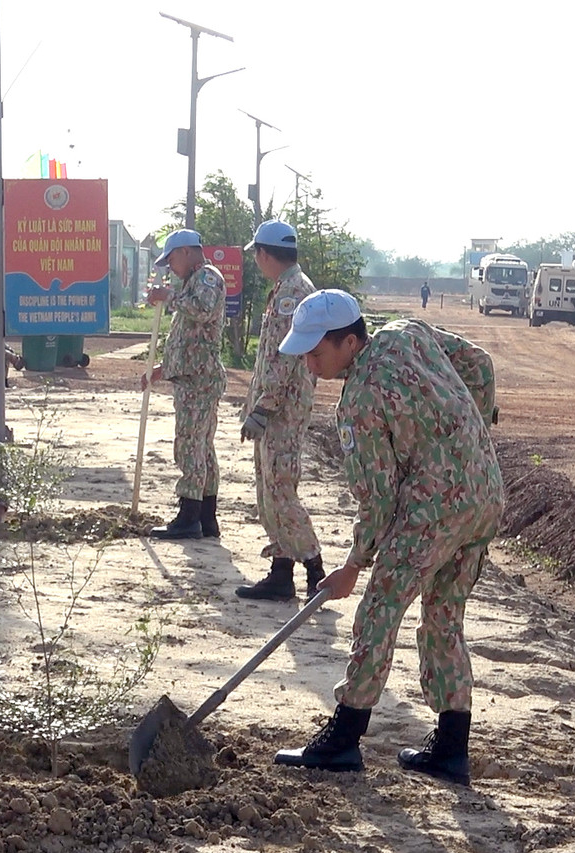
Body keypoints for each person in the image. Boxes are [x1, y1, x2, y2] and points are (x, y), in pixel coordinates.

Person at [271, 290, 503, 785]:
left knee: (379, 608)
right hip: (485, 492)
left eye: (316, 353)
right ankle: (451, 749)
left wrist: (355, 564)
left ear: (350, 342)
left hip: (435, 506)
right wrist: (470, 436)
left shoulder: (358, 401)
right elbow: (479, 366)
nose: (310, 365)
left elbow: (377, 500)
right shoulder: (406, 331)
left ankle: (344, 737)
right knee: (443, 615)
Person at [237, 220, 326, 601]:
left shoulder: (293, 293)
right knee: (271, 490)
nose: (256, 261)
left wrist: (263, 407)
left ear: (265, 253)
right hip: (278, 408)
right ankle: (281, 570)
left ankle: (315, 568)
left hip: (282, 411)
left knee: (280, 490)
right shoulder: (287, 289)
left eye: (256, 254)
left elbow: (283, 359)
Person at [140, 229, 227, 540]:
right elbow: (190, 341)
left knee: (190, 445)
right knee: (201, 447)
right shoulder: (191, 283)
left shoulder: (206, 278)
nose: (171, 267)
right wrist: (163, 369)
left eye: (172, 259)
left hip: (199, 381)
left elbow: (203, 311)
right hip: (192, 374)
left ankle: (190, 516)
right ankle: (205, 517)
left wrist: (169, 297)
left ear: (188, 252)